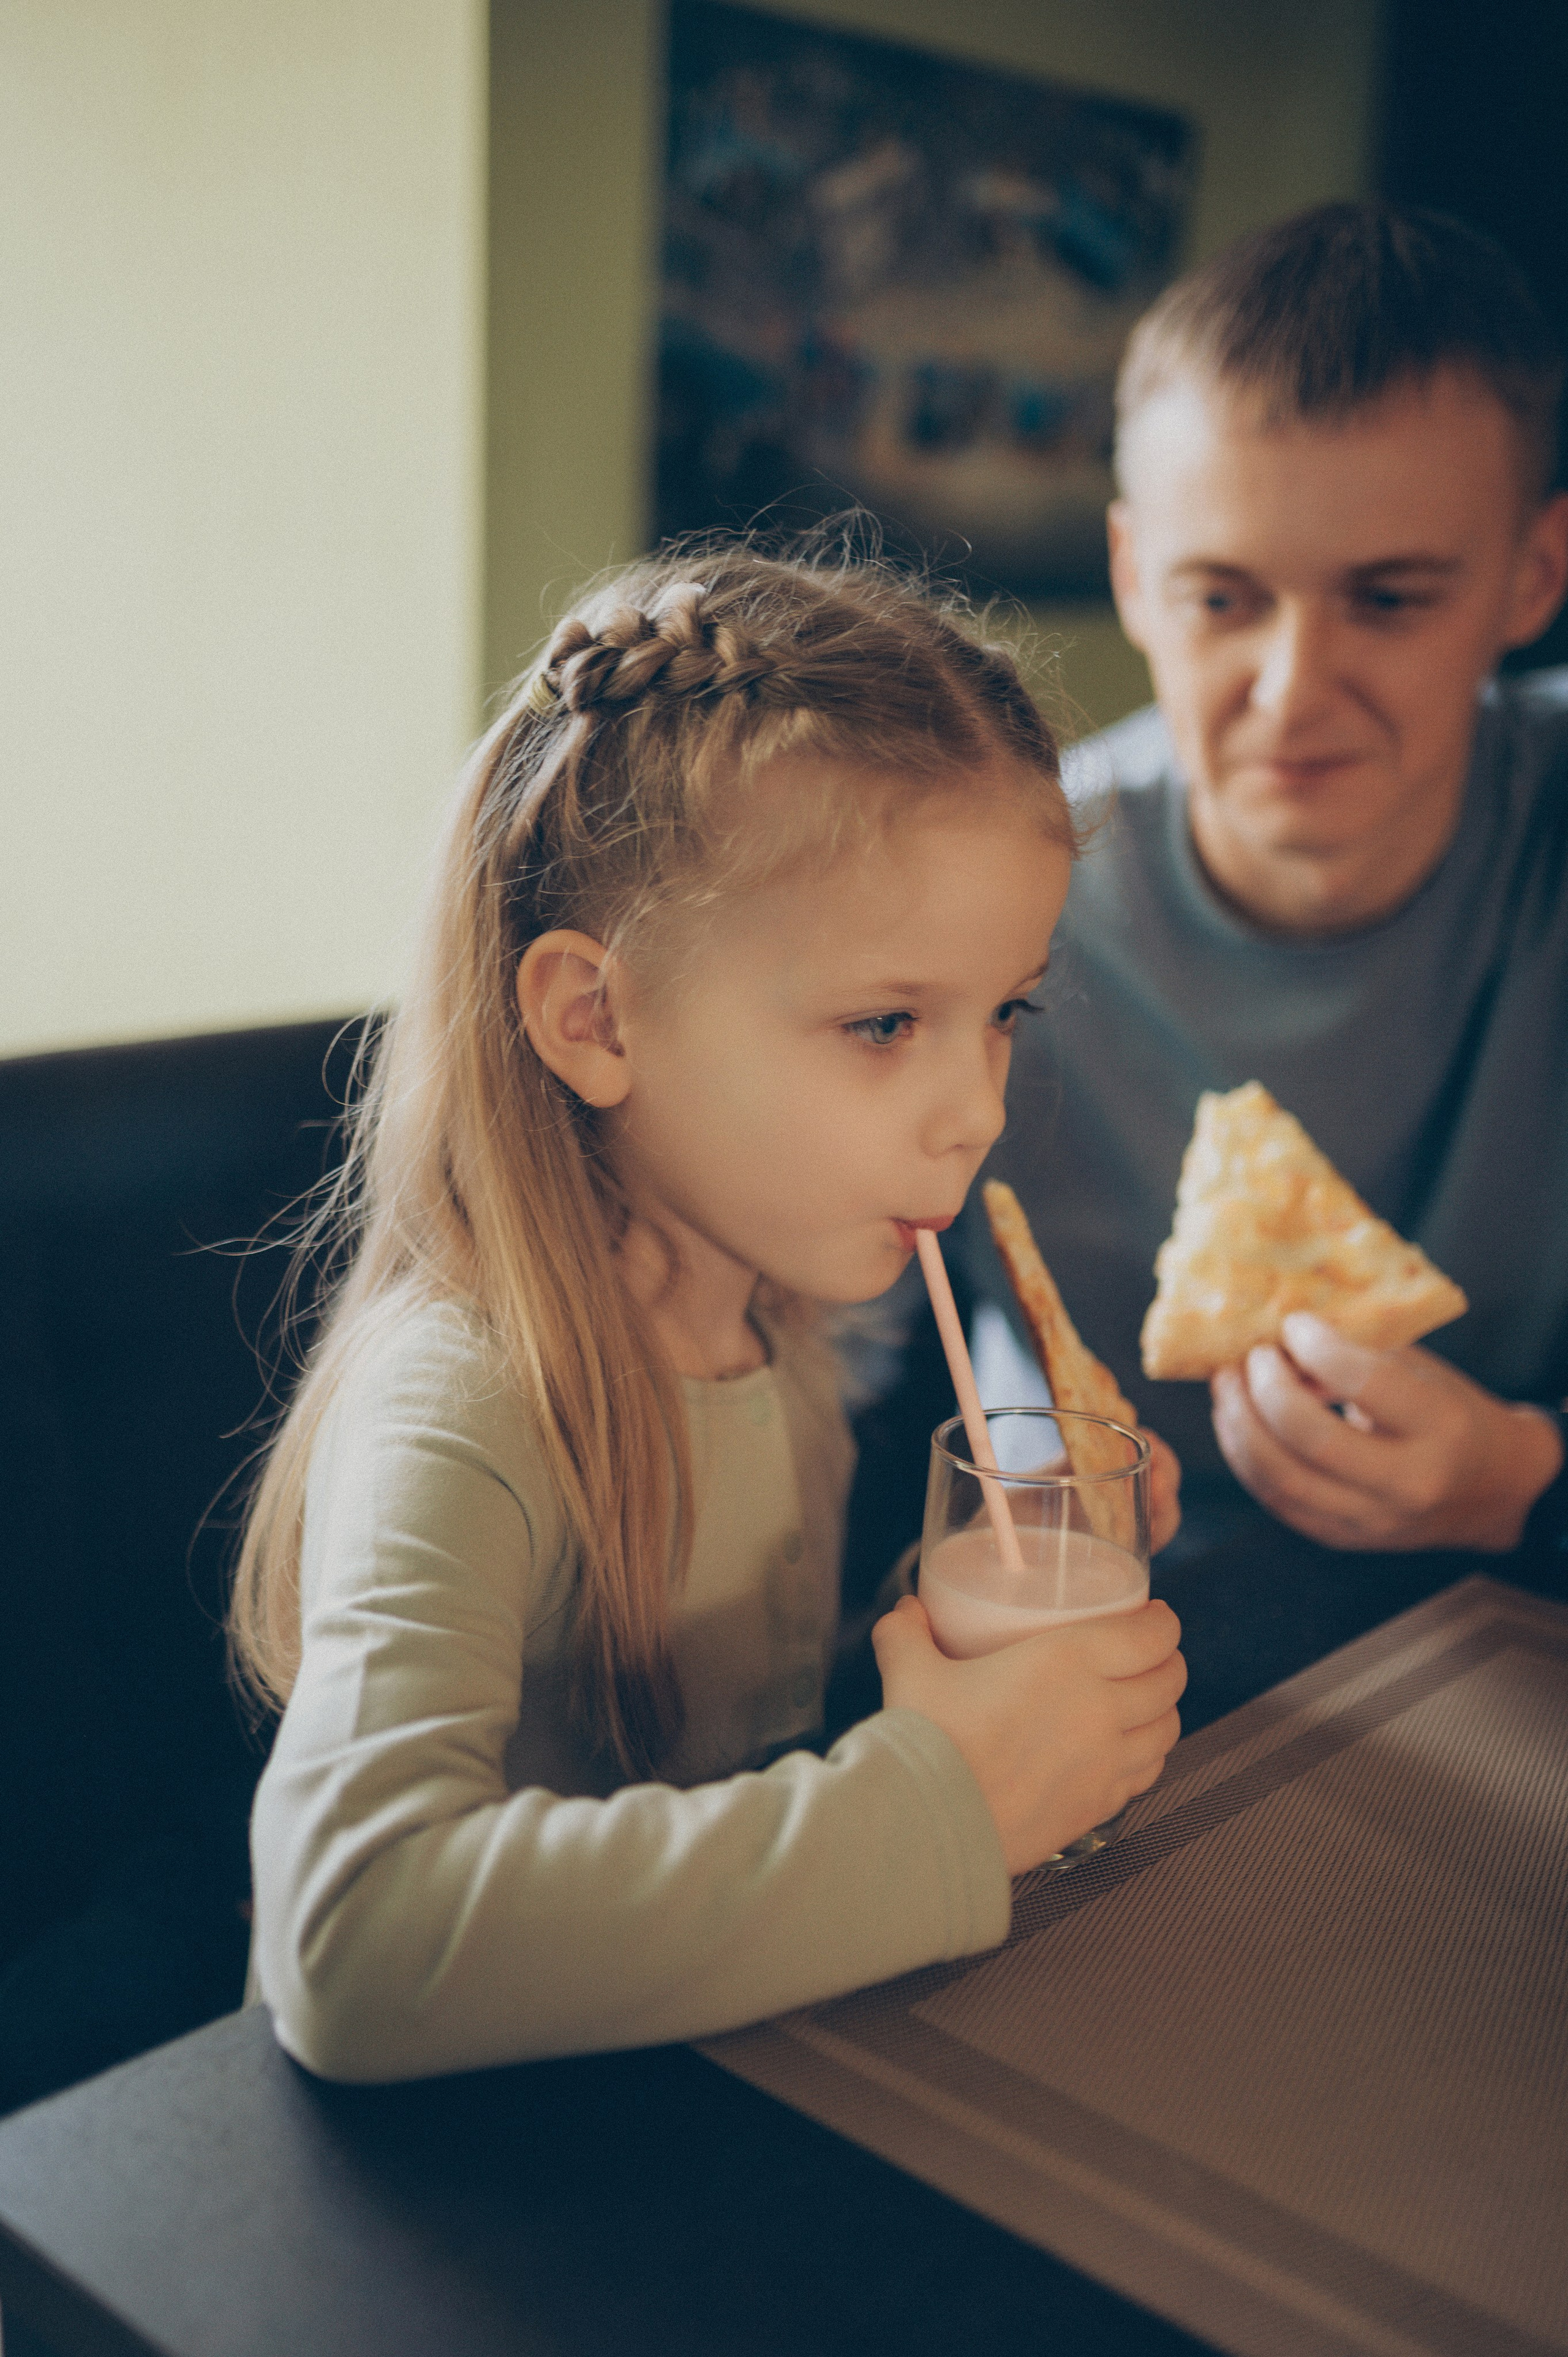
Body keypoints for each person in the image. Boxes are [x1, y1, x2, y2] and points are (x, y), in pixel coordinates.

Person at [231, 545, 1185, 2083]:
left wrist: (951, 1608)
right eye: (883, 1024)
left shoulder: (773, 1329)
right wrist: (952, 1796)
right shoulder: (465, 1402)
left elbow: (740, 1763)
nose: (973, 1113)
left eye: (1000, 1012)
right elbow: (350, 1943)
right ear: (593, 1020)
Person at [957, 201, 1568, 1692]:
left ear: (1531, 579)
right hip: (1139, 1656)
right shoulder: (978, 898)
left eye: (1387, 597)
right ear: (1126, 573)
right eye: (1222, 598)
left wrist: (1530, 1478)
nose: (1293, 692)